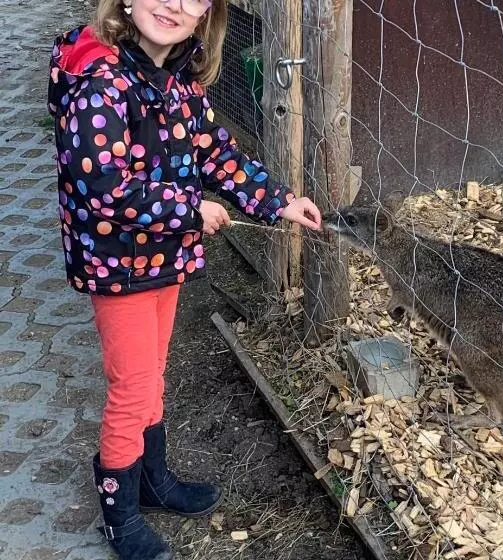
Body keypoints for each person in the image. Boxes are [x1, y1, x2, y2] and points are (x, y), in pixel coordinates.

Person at [47, 1, 322, 558]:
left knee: (151, 372)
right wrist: (189, 212)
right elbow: (102, 186)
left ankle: (153, 480)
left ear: (207, 15)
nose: (173, 5)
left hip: (161, 257)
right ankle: (120, 518)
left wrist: (279, 201)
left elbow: (213, 151)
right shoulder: (99, 83)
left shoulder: (179, 77)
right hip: (118, 264)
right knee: (131, 389)